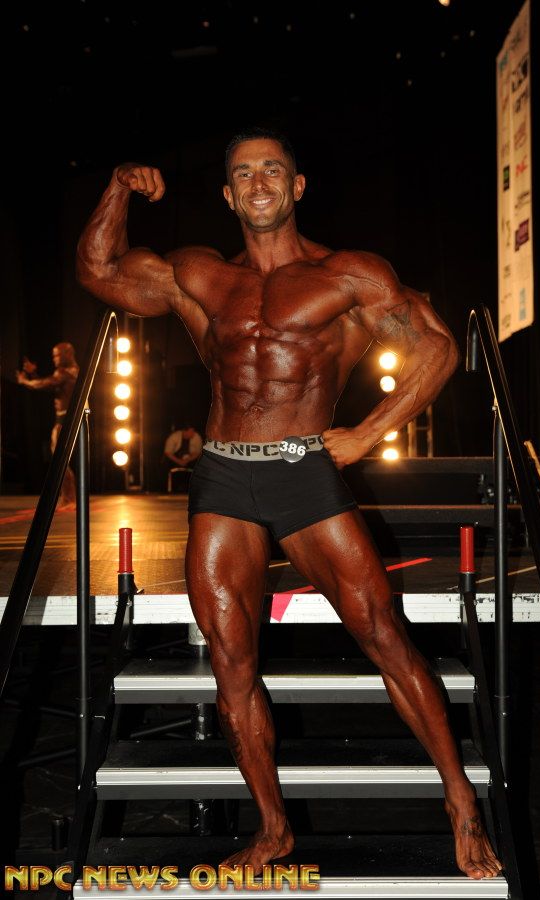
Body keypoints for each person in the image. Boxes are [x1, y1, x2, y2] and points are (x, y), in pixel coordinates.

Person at [75, 127, 502, 879]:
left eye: (273, 169)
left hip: (305, 471)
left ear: (297, 186)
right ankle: (273, 829)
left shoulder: (348, 273)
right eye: (244, 173)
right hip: (222, 476)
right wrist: (117, 186)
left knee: (382, 634)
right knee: (231, 664)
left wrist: (368, 433)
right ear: (228, 194)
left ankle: (460, 802)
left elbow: (436, 347)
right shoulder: (199, 274)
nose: (259, 182)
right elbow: (99, 271)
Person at [16, 343, 79, 508]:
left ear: (67, 354)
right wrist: (33, 374)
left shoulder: (67, 372)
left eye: (57, 355)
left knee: (59, 459)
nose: (54, 359)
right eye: (53, 356)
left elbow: (45, 384)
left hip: (65, 419)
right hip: (64, 418)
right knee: (60, 458)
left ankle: (70, 497)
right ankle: (68, 497)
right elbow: (50, 385)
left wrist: (25, 381)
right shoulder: (69, 372)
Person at [163, 423, 203, 491]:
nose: (193, 433)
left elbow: (198, 452)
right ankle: (167, 488)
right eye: (191, 431)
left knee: (199, 465)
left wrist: (187, 460)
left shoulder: (196, 437)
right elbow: (167, 452)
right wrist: (179, 461)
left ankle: (194, 489)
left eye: (193, 431)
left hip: (190, 460)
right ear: (184, 431)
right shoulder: (174, 437)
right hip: (175, 460)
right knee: (165, 464)